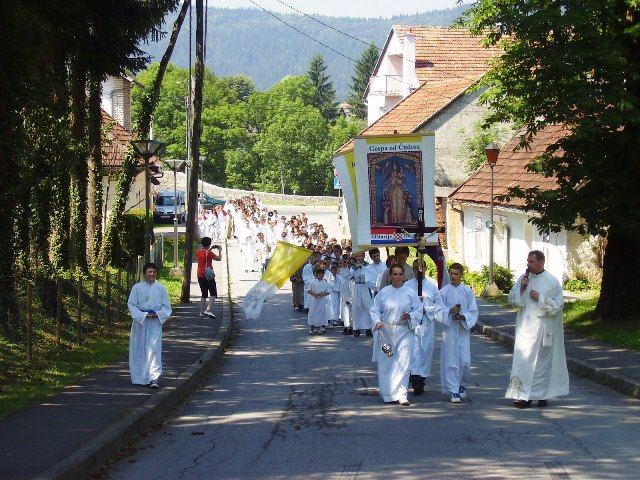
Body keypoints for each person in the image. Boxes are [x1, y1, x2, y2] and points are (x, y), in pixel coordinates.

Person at [506, 250, 569, 408]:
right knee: (524, 362)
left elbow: (558, 305)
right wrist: (521, 289)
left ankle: (542, 396)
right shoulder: (523, 279)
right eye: (527, 261)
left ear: (541, 262)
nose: (528, 264)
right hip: (525, 329)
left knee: (542, 364)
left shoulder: (552, 281)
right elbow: (513, 299)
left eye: (531, 262)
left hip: (542, 330)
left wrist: (540, 298)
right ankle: (522, 397)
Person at [370, 264, 423, 406]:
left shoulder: (410, 292)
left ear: (404, 275)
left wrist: (410, 315)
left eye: (400, 274)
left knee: (404, 363)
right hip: (387, 331)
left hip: (405, 330)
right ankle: (388, 393)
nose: (398, 277)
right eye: (395, 274)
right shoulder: (384, 292)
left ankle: (402, 394)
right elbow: (374, 310)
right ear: (390, 276)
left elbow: (419, 309)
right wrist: (377, 321)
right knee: (387, 363)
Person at [404, 260, 446, 395]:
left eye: (421, 268)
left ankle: (421, 379)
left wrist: (425, 308)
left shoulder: (432, 287)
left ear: (426, 268)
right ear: (413, 269)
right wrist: (414, 305)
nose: (419, 271)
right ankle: (415, 379)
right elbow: (402, 304)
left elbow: (439, 306)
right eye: (416, 268)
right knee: (413, 352)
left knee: (425, 352)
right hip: (412, 325)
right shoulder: (407, 286)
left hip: (426, 324)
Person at [438, 263, 479, 403]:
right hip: (449, 330)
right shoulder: (443, 292)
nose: (453, 276)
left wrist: (464, 316)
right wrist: (449, 311)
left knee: (465, 360)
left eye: (456, 274)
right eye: (451, 273)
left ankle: (462, 383)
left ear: (461, 275)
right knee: (451, 360)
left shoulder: (467, 291)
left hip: (462, 329)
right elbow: (439, 310)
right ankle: (453, 389)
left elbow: (473, 310)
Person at [127, 263, 172, 389]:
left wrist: (158, 314)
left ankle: (154, 378)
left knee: (154, 349)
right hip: (140, 323)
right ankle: (139, 376)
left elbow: (167, 307)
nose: (152, 274)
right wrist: (142, 315)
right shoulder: (137, 288)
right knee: (139, 348)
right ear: (144, 273)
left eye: (154, 272)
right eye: (149, 272)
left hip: (154, 323)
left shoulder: (161, 288)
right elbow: (131, 304)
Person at [196, 237, 222, 318]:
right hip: (208, 274)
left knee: (204, 294)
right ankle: (208, 310)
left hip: (200, 274)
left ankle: (201, 312)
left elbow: (206, 253)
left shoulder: (198, 251)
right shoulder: (209, 253)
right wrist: (220, 250)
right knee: (213, 293)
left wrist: (211, 248)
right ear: (209, 244)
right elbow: (219, 258)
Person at [307, 266, 332, 334]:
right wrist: (314, 293)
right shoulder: (312, 282)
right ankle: (312, 326)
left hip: (322, 301)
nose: (321, 275)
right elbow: (308, 290)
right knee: (313, 313)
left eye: (322, 274)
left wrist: (323, 294)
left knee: (321, 313)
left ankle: (320, 327)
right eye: (320, 274)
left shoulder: (325, 282)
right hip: (314, 301)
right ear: (316, 274)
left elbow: (328, 291)